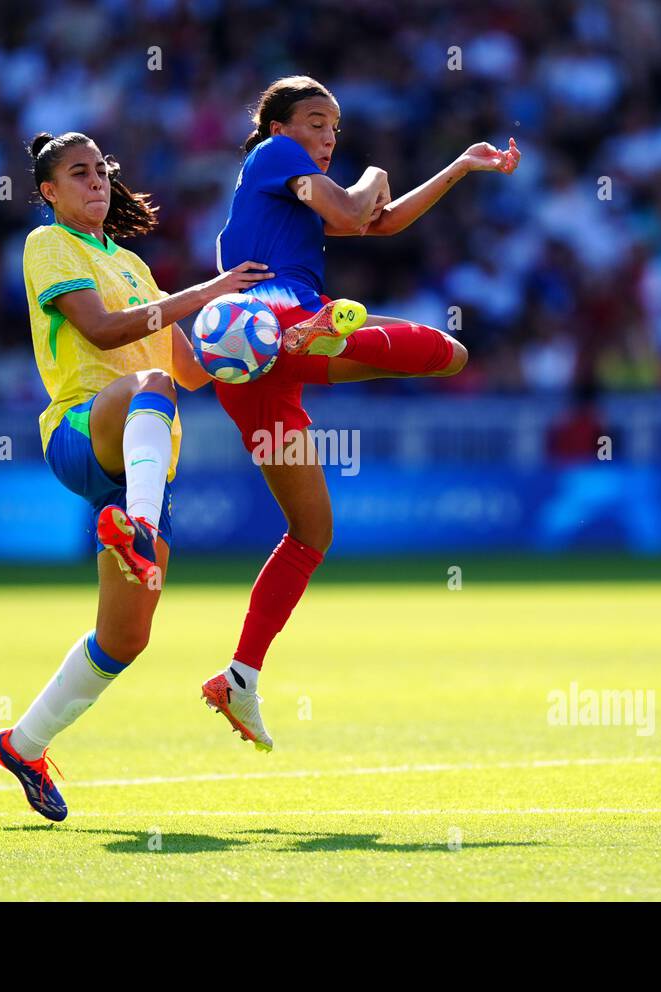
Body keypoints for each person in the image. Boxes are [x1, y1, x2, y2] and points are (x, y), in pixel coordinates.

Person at [201, 76, 520, 750]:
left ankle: (239, 677)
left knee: (311, 533)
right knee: (450, 353)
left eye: (335, 128)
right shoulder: (273, 155)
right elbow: (353, 213)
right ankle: (311, 330)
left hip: (255, 377)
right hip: (270, 312)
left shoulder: (292, 188)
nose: (326, 137)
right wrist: (373, 169)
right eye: (316, 122)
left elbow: (382, 220)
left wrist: (460, 166)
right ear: (279, 125)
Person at [0, 131, 272, 820]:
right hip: (83, 431)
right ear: (49, 191)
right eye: (77, 174)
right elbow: (107, 332)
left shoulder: (136, 266)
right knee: (145, 381)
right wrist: (202, 291)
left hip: (142, 470)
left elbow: (196, 369)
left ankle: (22, 744)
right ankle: (138, 529)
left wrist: (273, 338)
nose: (96, 183)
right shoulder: (48, 245)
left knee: (124, 640)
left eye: (102, 172)